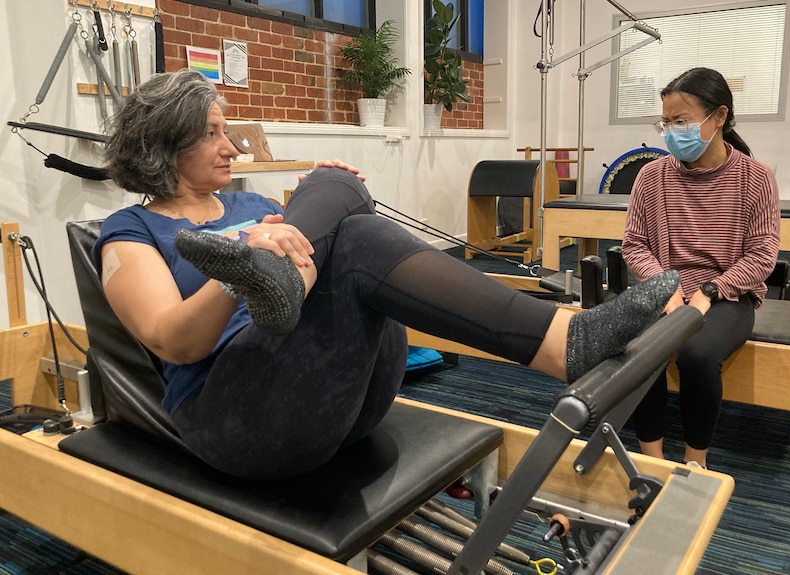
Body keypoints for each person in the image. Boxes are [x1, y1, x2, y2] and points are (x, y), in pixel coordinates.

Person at [97, 69, 679, 480]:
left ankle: (280, 279)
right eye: (211, 133)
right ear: (163, 145)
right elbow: (172, 340)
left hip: (338, 399)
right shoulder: (131, 232)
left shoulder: (252, 209)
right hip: (238, 420)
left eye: (228, 131)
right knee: (353, 235)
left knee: (338, 188)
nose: (231, 147)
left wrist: (316, 201)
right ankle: (563, 342)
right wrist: (234, 282)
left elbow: (328, 231)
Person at [623, 67, 781, 469]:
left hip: (729, 295)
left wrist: (709, 292)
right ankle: (653, 463)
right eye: (667, 123)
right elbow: (635, 245)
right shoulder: (650, 177)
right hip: (666, 290)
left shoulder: (755, 178)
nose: (673, 132)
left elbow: (762, 255)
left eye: (683, 121)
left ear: (719, 117)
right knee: (640, 346)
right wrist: (666, 288)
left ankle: (696, 463)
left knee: (695, 354)